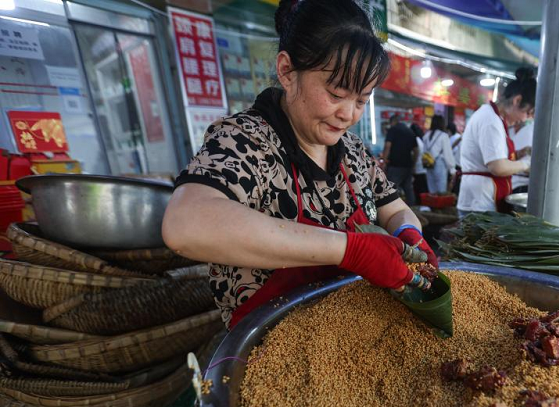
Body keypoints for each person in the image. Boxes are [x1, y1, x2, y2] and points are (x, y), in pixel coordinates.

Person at [161, 0, 436, 330]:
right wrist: (350, 250)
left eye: (361, 99)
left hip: (358, 332)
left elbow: (394, 208)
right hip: (275, 342)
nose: (349, 114)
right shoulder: (246, 141)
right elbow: (185, 225)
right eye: (336, 93)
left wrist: (408, 233)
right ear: (287, 71)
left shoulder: (352, 150)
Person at [457, 67, 535, 215]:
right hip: (478, 204)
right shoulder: (490, 120)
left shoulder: (494, 118)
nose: (525, 119)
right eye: (527, 112)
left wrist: (521, 153)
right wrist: (527, 165)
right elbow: (498, 167)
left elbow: (495, 157)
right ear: (516, 100)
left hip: (480, 200)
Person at [381, 114, 418, 205]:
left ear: (392, 122)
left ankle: (393, 209)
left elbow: (387, 146)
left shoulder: (393, 130)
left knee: (391, 189)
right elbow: (416, 150)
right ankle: (412, 210)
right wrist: (413, 164)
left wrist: (384, 161)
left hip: (395, 165)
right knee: (408, 188)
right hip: (407, 165)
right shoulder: (410, 131)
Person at [422, 115, 456, 194]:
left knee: (432, 190)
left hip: (428, 164)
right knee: (441, 191)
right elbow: (448, 154)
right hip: (439, 164)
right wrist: (452, 169)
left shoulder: (426, 136)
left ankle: (432, 205)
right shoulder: (443, 136)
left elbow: (424, 152)